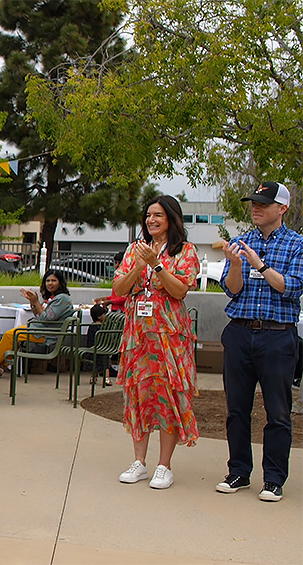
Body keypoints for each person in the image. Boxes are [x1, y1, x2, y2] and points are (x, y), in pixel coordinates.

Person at [216, 181, 302, 503]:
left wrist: (261, 266)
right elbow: (232, 289)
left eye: (263, 203)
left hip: (277, 337)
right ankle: (238, 471)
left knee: (278, 411)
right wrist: (237, 266)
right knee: (237, 409)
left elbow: (292, 287)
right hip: (240, 333)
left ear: (282, 209)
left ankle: (274, 478)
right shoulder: (239, 242)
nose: (256, 208)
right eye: (254, 203)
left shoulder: (297, 245)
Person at [112, 195, 199, 490]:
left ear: (171, 219)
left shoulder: (185, 251)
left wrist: (158, 266)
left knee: (168, 396)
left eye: (158, 215)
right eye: (148, 215)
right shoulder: (134, 250)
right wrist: (140, 264)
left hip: (169, 335)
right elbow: (120, 288)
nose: (151, 220)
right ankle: (139, 461)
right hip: (139, 335)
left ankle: (165, 465)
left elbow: (180, 291)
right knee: (139, 393)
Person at [0, 269, 75, 377]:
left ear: (60, 282)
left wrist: (36, 302)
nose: (50, 283)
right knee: (12, 335)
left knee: (10, 336)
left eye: (54, 280)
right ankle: (0, 367)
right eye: (47, 281)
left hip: (46, 334)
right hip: (40, 329)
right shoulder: (54, 298)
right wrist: (33, 302)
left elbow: (46, 318)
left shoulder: (62, 299)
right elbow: (39, 315)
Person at [86, 303, 114, 386]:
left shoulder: (92, 326)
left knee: (94, 364)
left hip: (93, 349)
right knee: (106, 365)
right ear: (99, 316)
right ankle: (106, 378)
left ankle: (93, 377)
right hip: (103, 348)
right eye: (104, 314)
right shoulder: (104, 327)